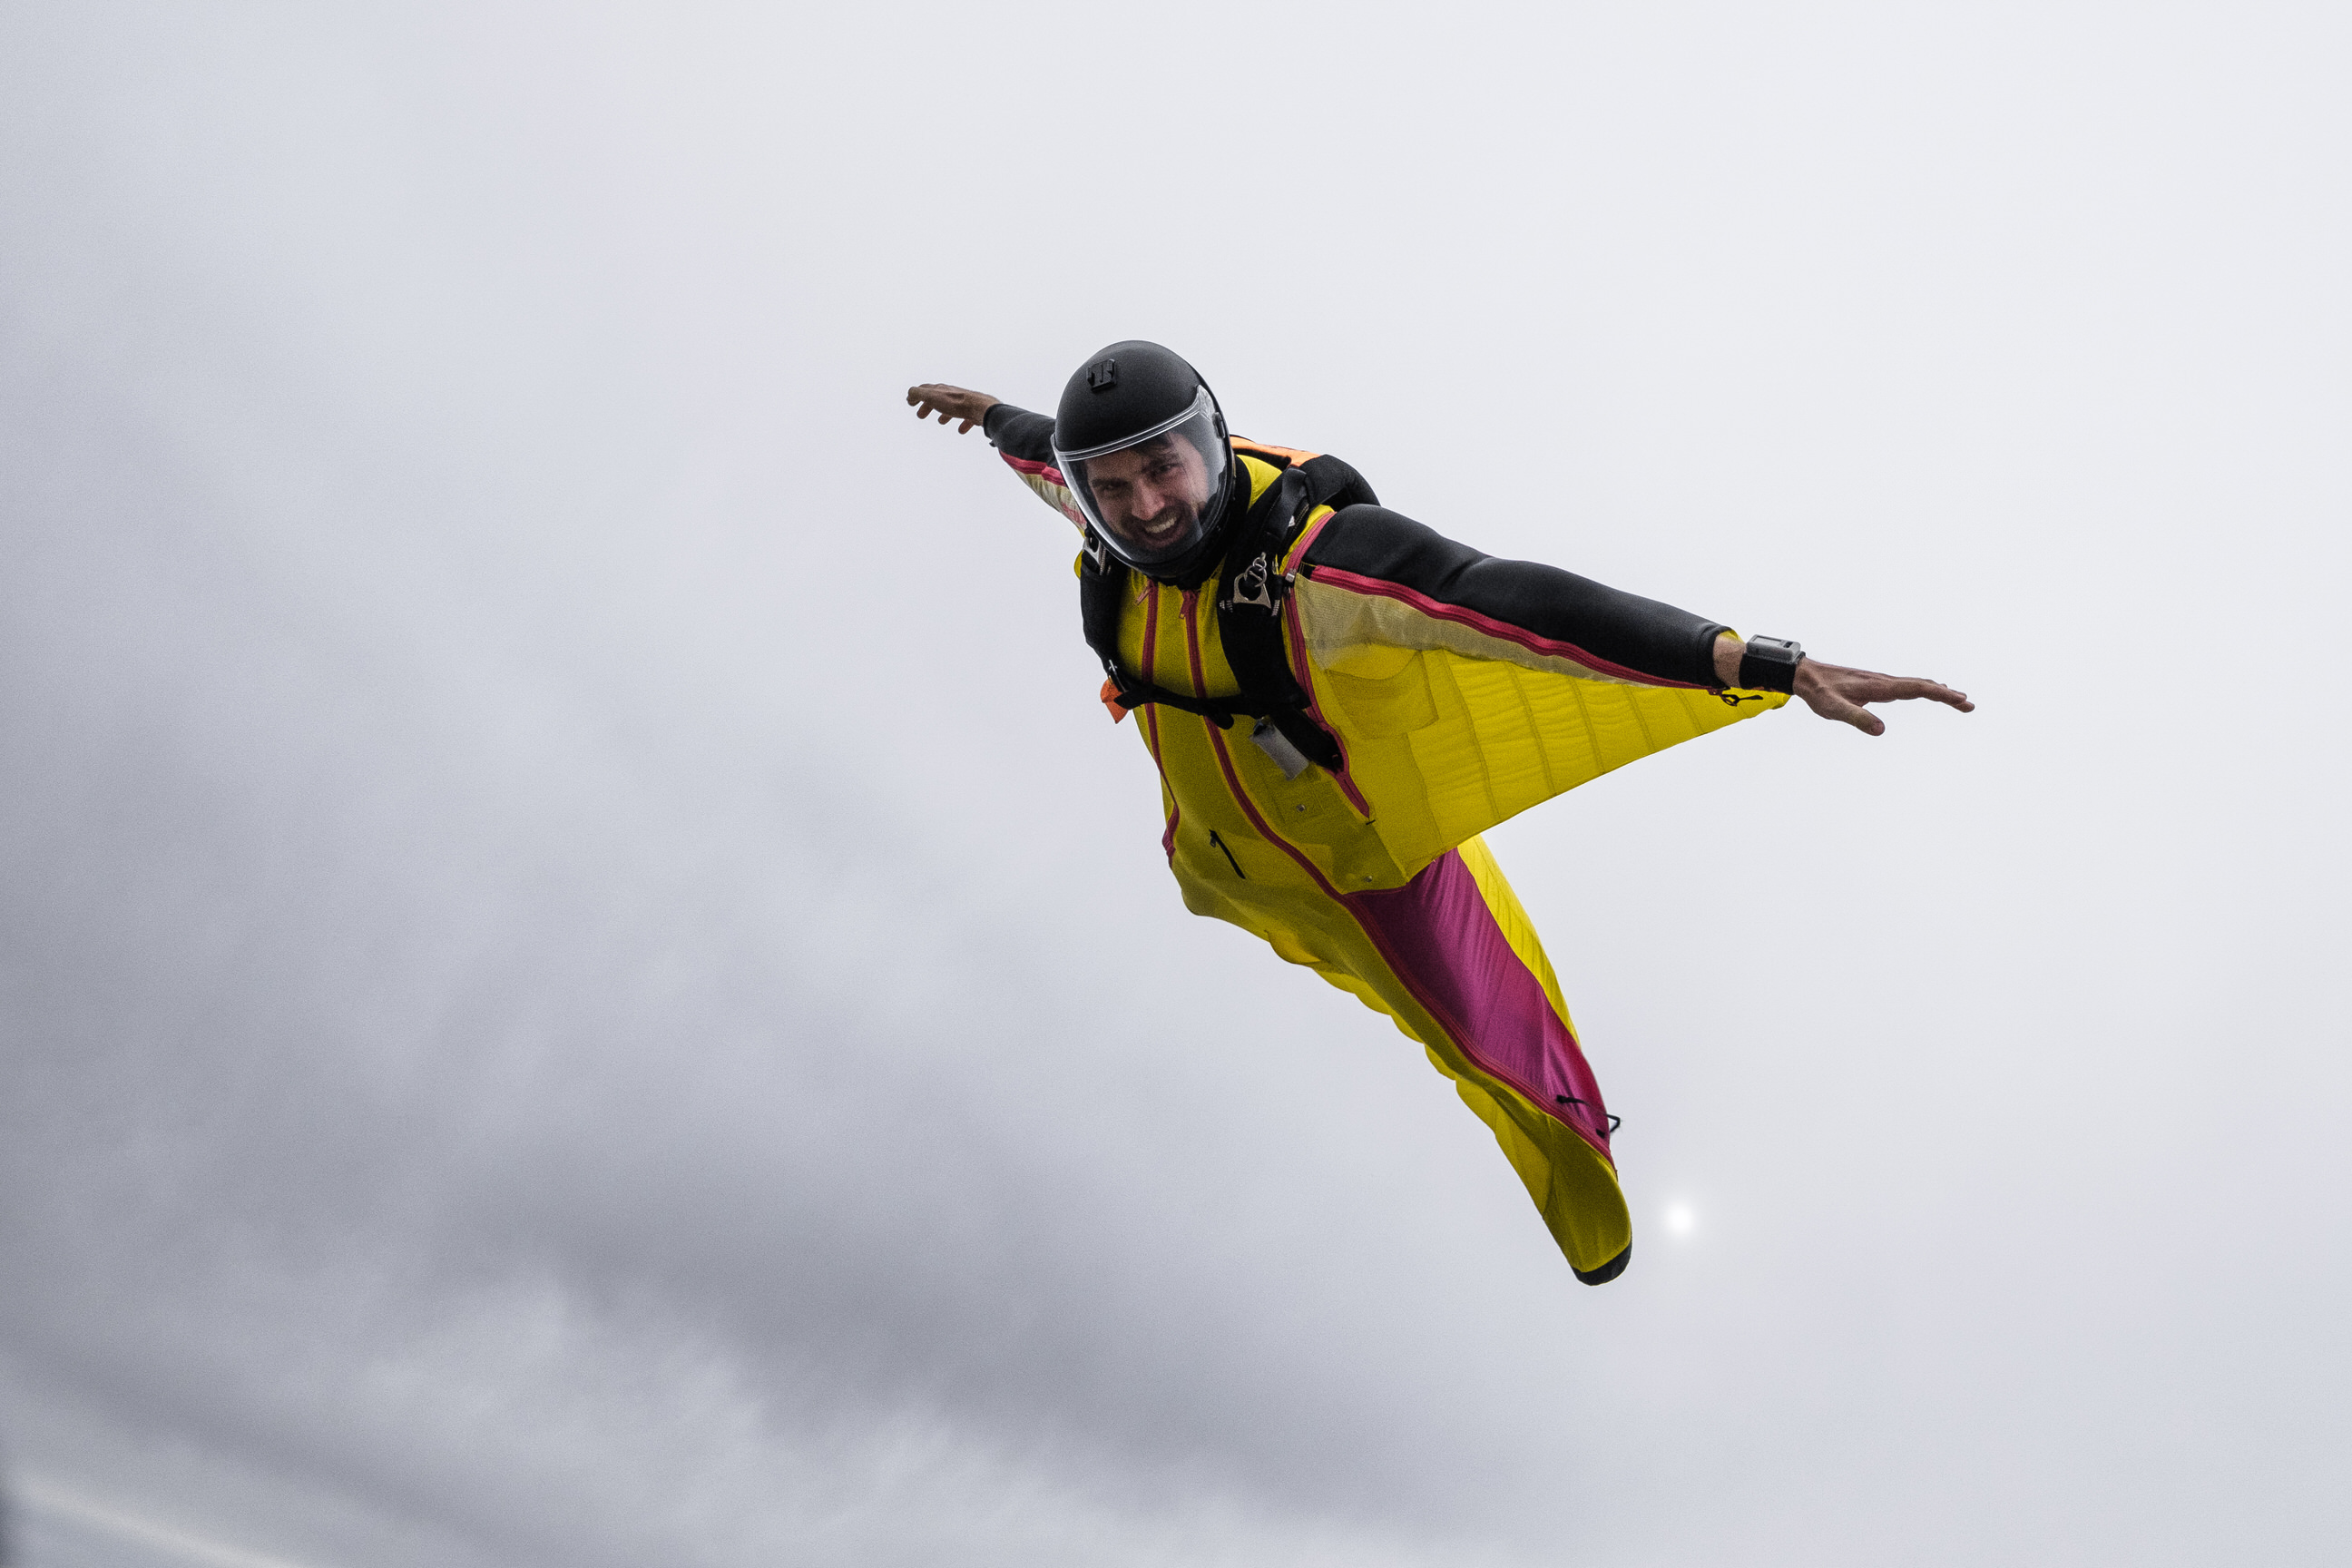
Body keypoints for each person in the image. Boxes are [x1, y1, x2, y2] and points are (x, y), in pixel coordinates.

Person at [907, 342, 1970, 1283]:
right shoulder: (1094, 511)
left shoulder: (1317, 566)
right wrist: (990, 412)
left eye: (1164, 470)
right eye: (1113, 488)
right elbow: (1041, 450)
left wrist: (1763, 663)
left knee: (1488, 1039)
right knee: (1410, 995)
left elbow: (1510, 597)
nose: (1145, 507)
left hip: (1373, 870)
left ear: (1215, 447)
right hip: (1227, 862)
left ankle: (1585, 1196)